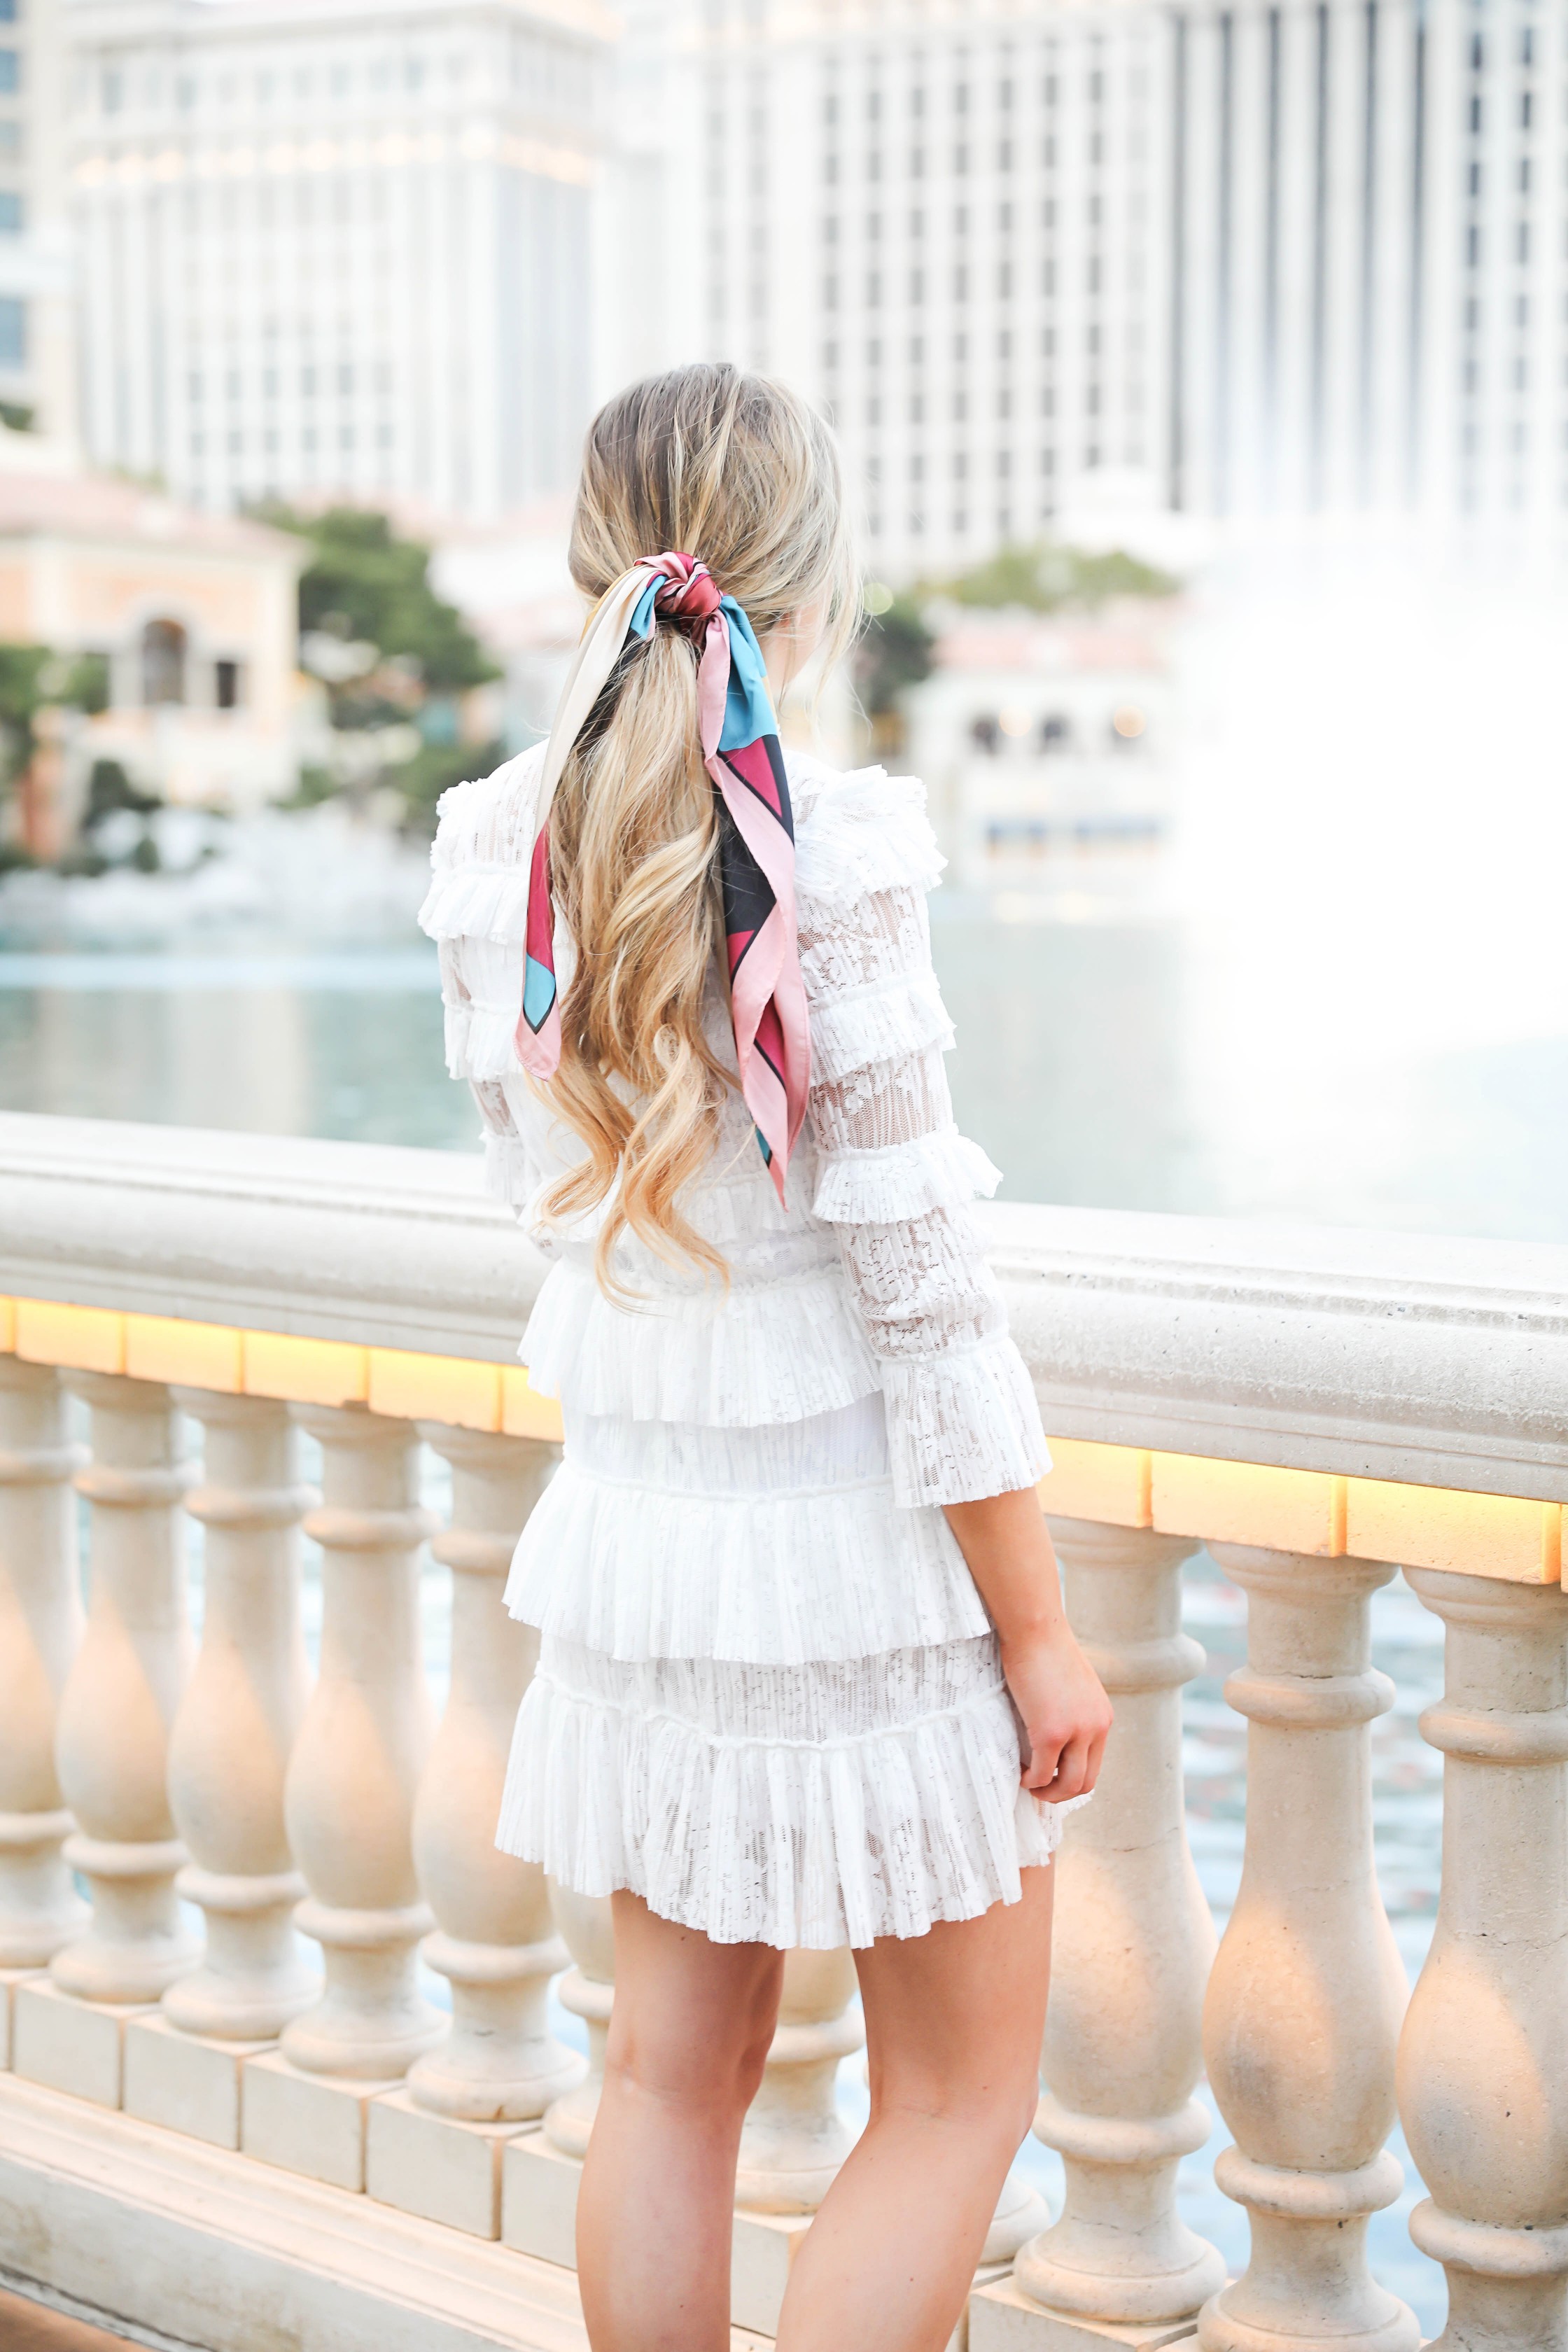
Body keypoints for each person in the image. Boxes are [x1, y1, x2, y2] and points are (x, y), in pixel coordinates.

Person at [420, 361, 1112, 2352]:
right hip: (868, 1556)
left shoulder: (494, 858)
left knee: (667, 2080)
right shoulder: (839, 848)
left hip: (652, 1549)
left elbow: (540, 1200)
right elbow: (924, 1289)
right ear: (810, 587)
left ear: (588, 565)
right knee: (962, 2096)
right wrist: (1043, 1630)